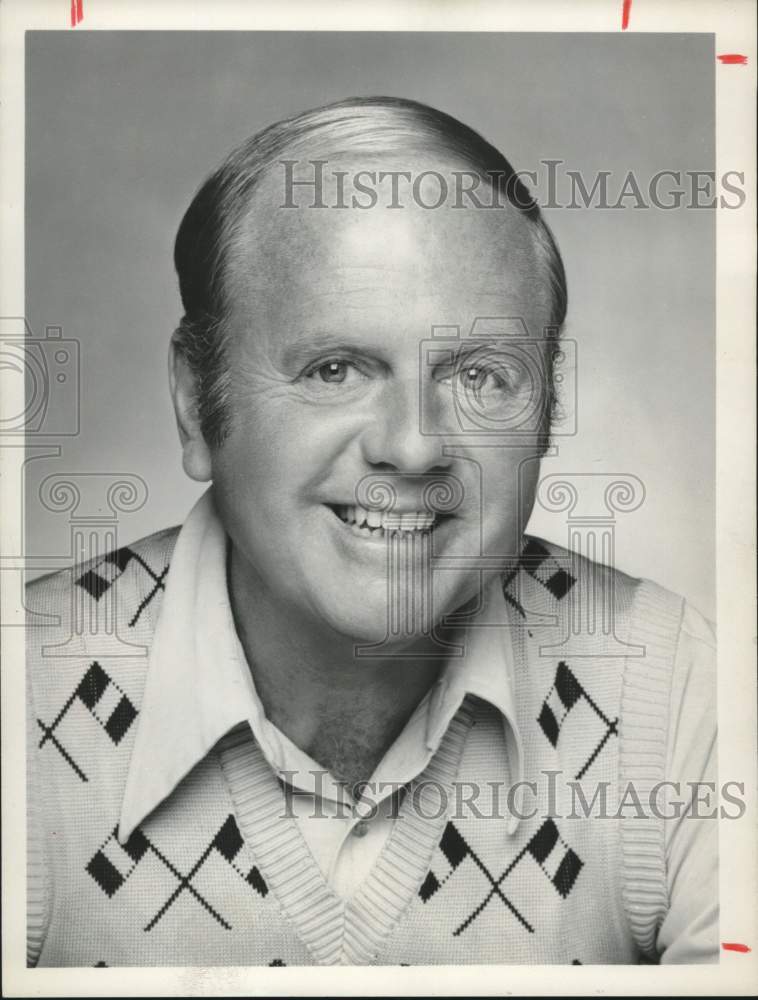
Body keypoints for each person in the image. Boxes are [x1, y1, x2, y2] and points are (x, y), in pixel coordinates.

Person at [26, 96, 717, 967]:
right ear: (195, 403)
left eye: (481, 375)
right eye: (336, 369)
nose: (413, 444)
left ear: (547, 411)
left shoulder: (678, 686)